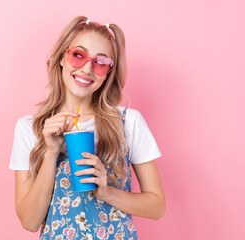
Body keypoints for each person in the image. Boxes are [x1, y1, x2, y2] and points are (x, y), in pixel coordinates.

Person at [9, 16, 166, 240]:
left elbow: (157, 206)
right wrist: (52, 152)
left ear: (108, 73)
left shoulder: (128, 122)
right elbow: (29, 221)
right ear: (62, 58)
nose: (87, 68)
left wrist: (107, 191)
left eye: (100, 63)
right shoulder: (30, 128)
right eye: (78, 55)